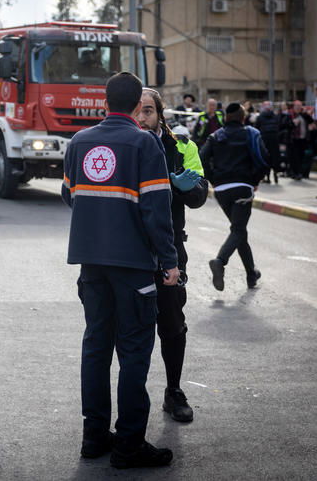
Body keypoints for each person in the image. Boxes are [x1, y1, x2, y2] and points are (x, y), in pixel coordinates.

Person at [63, 72, 179, 469]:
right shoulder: (144, 143)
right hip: (132, 267)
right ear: (134, 106)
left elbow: (69, 194)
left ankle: (94, 437)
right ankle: (129, 445)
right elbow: (156, 211)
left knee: (96, 346)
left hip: (90, 263)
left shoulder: (79, 142)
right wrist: (170, 262)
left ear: (104, 101)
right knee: (133, 354)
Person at [137, 88, 208, 423]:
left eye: (148, 111)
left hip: (170, 249)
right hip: (131, 249)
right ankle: (133, 398)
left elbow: (199, 194)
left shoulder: (182, 145)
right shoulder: (124, 144)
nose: (141, 118)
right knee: (133, 328)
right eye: (136, 110)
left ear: (160, 114)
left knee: (172, 324)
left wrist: (185, 187)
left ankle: (174, 390)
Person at [200, 102, 267, 291]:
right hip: (243, 187)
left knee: (239, 230)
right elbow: (264, 159)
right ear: (243, 117)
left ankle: (251, 274)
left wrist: (213, 180)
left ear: (226, 118)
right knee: (238, 230)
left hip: (221, 190)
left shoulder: (215, 136)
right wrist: (255, 180)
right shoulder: (251, 133)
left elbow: (202, 159)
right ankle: (220, 261)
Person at [255, 101, 281, 183]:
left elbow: (256, 128)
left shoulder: (260, 117)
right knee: (275, 156)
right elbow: (279, 126)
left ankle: (267, 177)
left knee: (265, 157)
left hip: (264, 139)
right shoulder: (276, 116)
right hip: (274, 139)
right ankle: (276, 173)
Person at [287, 101, 313, 180]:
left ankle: (299, 172)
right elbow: (286, 125)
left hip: (303, 139)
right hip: (294, 139)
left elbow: (311, 121)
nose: (298, 107)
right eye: (296, 106)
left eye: (299, 106)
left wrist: (306, 113)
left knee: (301, 156)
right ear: (293, 107)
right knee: (294, 157)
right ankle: (295, 173)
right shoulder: (290, 115)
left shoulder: (303, 115)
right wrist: (293, 123)